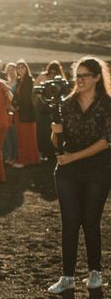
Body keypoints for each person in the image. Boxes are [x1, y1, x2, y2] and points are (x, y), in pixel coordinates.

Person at [47, 57, 111, 294]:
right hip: (68, 172)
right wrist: (55, 133)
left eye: (85, 75)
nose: (80, 80)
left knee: (91, 222)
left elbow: (105, 142)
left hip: (99, 169)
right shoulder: (66, 103)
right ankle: (68, 277)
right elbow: (56, 143)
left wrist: (73, 157)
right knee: (70, 224)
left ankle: (95, 273)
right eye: (78, 76)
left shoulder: (107, 104)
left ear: (96, 77)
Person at [35, 61, 64, 161]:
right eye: (51, 72)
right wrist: (43, 99)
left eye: (54, 72)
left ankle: (53, 151)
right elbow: (36, 88)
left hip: (54, 105)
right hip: (43, 105)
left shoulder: (59, 78)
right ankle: (44, 151)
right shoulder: (43, 76)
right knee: (42, 130)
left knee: (52, 129)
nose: (52, 74)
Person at [13, 59, 39, 166]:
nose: (20, 69)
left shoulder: (29, 81)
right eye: (18, 68)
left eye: (22, 67)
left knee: (28, 137)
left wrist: (17, 105)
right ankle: (24, 158)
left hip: (27, 113)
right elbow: (16, 96)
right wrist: (14, 104)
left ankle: (29, 159)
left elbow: (27, 98)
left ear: (26, 68)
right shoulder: (19, 81)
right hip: (19, 113)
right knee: (21, 137)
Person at [3, 63, 18, 166]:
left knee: (15, 135)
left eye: (13, 69)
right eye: (9, 70)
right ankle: (9, 156)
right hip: (6, 113)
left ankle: (15, 156)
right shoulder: (6, 83)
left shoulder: (19, 83)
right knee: (8, 135)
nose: (11, 72)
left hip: (16, 112)